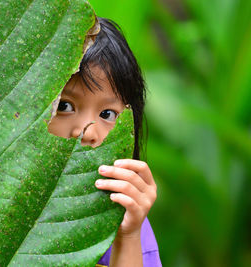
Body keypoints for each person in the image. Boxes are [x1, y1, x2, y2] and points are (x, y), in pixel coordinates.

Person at [47, 17, 162, 267]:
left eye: (107, 114)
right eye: (65, 106)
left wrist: (128, 236)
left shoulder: (130, 222)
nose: (86, 131)